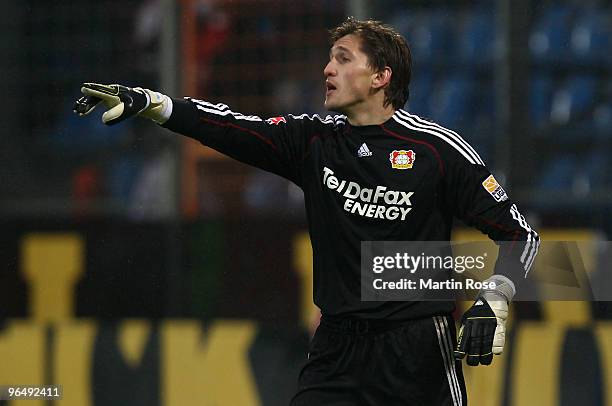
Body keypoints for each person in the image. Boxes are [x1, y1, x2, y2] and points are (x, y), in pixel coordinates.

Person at [74, 17, 539, 406]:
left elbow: (520, 236)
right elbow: (229, 126)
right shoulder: (312, 141)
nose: (327, 69)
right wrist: (154, 104)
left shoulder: (438, 151)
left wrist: (493, 301)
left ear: (381, 77)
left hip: (416, 349)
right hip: (337, 347)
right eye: (328, 57)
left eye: (343, 58)